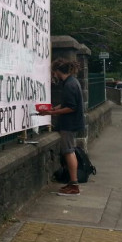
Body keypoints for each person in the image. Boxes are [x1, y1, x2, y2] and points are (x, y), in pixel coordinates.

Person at [38, 58, 86, 195]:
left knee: (69, 151)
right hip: (72, 123)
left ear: (58, 71)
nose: (53, 75)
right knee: (69, 151)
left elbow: (71, 107)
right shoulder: (71, 82)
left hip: (69, 124)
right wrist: (52, 109)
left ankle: (74, 185)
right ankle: (72, 183)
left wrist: (52, 112)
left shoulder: (69, 85)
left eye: (54, 72)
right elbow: (66, 104)